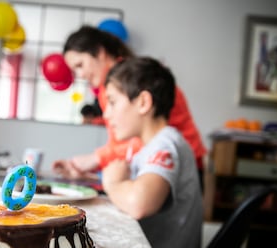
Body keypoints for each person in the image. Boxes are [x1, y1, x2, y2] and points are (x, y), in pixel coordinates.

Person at [52, 26, 206, 188]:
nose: (80, 75)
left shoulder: (132, 79)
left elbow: (144, 139)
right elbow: (120, 143)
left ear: (100, 52)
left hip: (176, 165)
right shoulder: (112, 84)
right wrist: (90, 171)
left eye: (80, 65)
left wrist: (97, 158)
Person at [101, 56, 203, 248]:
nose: (106, 114)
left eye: (113, 102)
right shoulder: (153, 146)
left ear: (143, 103)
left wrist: (113, 183)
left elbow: (140, 203)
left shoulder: (166, 144)